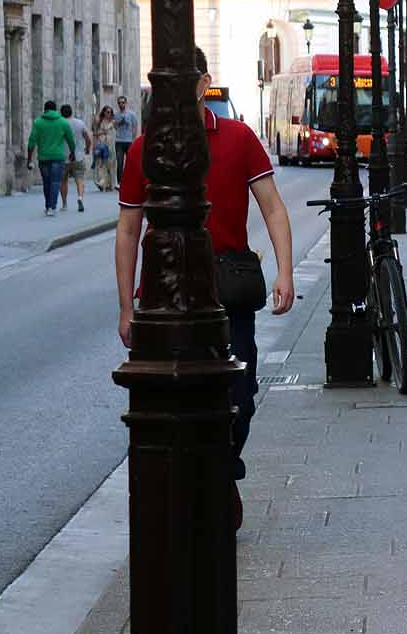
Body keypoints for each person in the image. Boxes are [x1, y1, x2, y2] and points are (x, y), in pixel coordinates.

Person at [115, 47, 296, 531]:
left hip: (227, 285)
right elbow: (129, 228)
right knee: (169, 398)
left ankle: (220, 471)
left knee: (241, 392)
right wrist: (124, 306)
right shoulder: (144, 147)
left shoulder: (237, 137)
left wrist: (285, 272)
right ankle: (200, 489)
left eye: (181, 82)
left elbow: (273, 208)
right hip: (162, 295)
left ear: (202, 84)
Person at [26, 100, 76, 217]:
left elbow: (31, 142)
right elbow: (70, 139)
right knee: (55, 182)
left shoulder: (38, 123)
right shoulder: (63, 122)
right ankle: (52, 207)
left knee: (47, 182)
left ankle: (48, 205)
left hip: (43, 157)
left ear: (45, 110)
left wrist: (29, 159)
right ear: (55, 109)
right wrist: (72, 152)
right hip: (58, 157)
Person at [60, 105, 92, 213]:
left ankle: (64, 204)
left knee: (63, 181)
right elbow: (87, 139)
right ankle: (80, 198)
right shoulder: (79, 123)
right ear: (71, 112)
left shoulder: (60, 124)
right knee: (80, 179)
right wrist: (87, 149)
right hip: (78, 156)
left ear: (61, 113)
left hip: (63, 156)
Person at [112, 94, 139, 182]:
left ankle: (131, 180)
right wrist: (120, 122)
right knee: (119, 163)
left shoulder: (131, 114)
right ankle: (119, 182)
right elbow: (115, 127)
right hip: (119, 141)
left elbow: (135, 127)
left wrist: (134, 140)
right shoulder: (116, 115)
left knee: (130, 163)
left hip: (129, 141)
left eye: (123, 102)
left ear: (126, 103)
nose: (121, 104)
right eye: (119, 103)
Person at [93, 106, 117, 191]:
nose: (109, 114)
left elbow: (115, 132)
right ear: (103, 112)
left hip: (111, 145)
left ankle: (110, 184)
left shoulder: (113, 122)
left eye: (110, 112)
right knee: (101, 164)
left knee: (111, 165)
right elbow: (95, 134)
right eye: (107, 112)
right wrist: (95, 145)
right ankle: (102, 183)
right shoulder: (99, 122)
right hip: (102, 144)